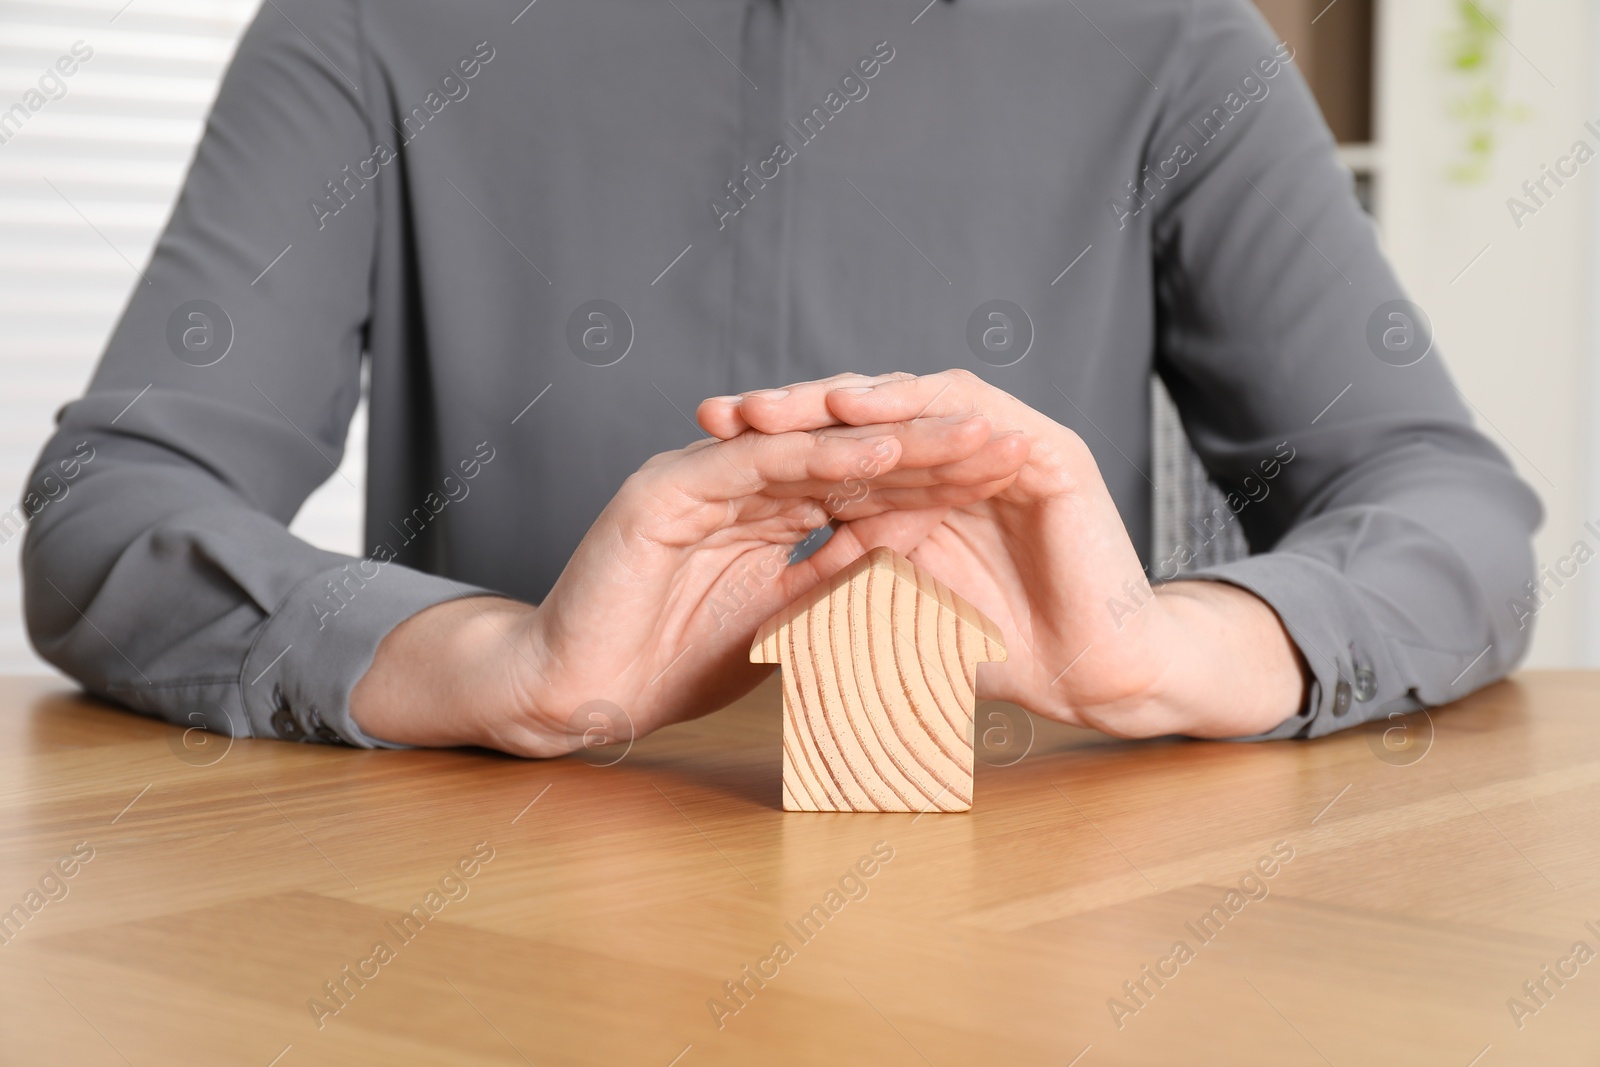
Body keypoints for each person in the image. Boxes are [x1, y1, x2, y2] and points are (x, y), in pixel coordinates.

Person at [21, 0, 1539, 755]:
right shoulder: (367, 24)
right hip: (487, 947)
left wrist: (1165, 653)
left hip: (1051, 936)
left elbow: (1440, 503)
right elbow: (116, 510)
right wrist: (495, 665)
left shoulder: (1168, 37)